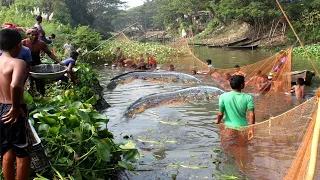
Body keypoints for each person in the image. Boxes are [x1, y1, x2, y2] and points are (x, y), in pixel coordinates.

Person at [0, 28, 31, 180]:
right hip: (13, 109)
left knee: (6, 151)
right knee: (22, 154)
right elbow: (15, 85)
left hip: (0, 108)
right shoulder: (18, 62)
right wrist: (16, 107)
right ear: (19, 45)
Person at [22, 28, 62, 95]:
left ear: (38, 35)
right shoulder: (24, 42)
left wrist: (58, 61)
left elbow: (49, 53)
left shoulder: (41, 43)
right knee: (29, 83)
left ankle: (42, 96)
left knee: (40, 82)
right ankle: (31, 98)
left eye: (36, 35)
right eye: (32, 35)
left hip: (37, 65)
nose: (34, 37)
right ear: (29, 35)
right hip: (27, 65)